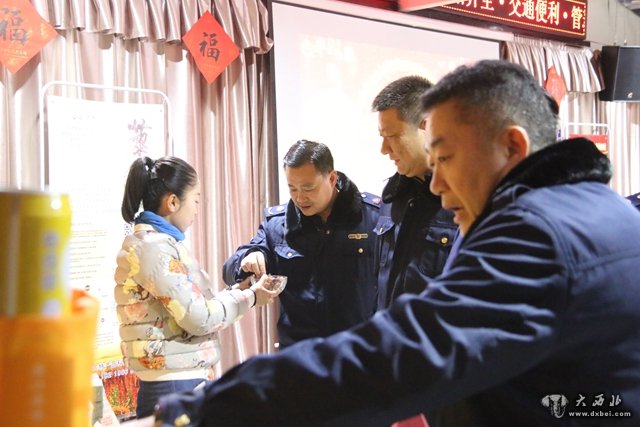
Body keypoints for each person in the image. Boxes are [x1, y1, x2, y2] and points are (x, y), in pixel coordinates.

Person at [125, 60, 640, 427]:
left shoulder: (535, 234)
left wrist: (202, 411)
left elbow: (404, 351)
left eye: (445, 159)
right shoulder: (605, 210)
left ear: (512, 146)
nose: (439, 185)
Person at [114, 156, 280, 419]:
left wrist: (239, 291)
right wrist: (250, 297)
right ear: (172, 202)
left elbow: (194, 308)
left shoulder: (157, 245)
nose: (196, 210)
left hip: (175, 378)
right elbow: (199, 318)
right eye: (196, 200)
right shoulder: (154, 248)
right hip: (173, 383)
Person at [221, 139, 380, 347]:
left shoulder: (372, 218)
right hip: (299, 353)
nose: (299, 197)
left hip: (358, 350)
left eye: (308, 188)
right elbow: (230, 271)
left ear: (332, 178)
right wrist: (248, 258)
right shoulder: (278, 225)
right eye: (292, 188)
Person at [371, 76, 456, 309]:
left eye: (392, 136)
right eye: (382, 137)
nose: (384, 149)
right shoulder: (392, 196)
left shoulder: (462, 198)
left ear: (426, 126)